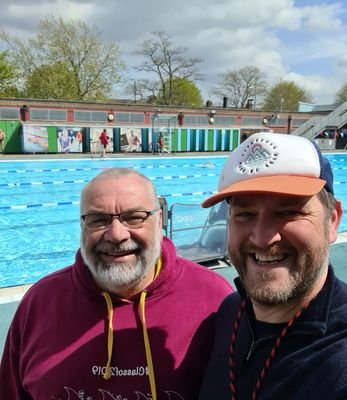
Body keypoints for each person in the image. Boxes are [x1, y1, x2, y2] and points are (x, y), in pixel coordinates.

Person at [0, 168, 233, 400]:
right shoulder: (40, 303)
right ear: (82, 226)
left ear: (159, 220)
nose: (116, 234)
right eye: (98, 220)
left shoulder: (212, 298)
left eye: (134, 217)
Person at [199, 132, 347, 399]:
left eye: (289, 212)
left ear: (332, 221)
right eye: (245, 214)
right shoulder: (231, 311)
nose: (262, 237)